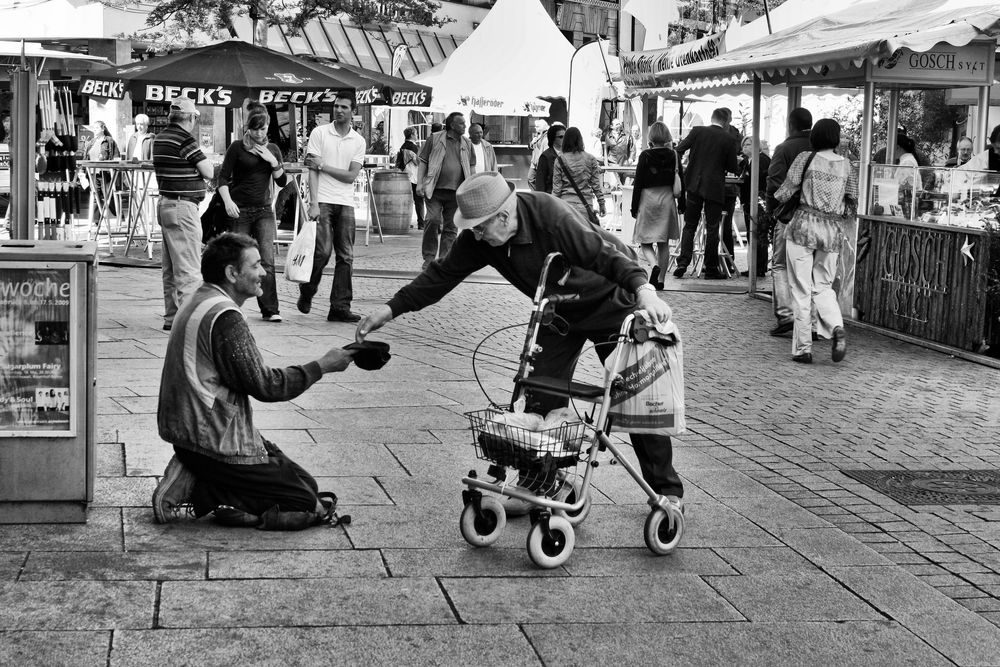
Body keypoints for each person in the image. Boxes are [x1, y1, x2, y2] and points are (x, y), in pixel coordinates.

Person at [355, 171, 684, 514]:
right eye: (473, 229)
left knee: (636, 398)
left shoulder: (550, 216)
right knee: (537, 393)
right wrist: (389, 309)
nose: (475, 234)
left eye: (480, 227)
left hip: (612, 301)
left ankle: (666, 491)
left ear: (503, 215)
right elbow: (441, 275)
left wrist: (644, 291)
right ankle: (539, 482)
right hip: (558, 312)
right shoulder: (482, 237)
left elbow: (604, 253)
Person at [152, 232, 357, 528]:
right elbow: (266, 385)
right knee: (303, 503)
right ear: (232, 273)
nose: (263, 272)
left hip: (190, 430)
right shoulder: (224, 317)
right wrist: (322, 366)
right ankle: (197, 488)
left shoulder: (201, 297)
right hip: (210, 440)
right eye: (256, 265)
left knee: (307, 484)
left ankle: (206, 481)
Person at [774, 118, 857, 365]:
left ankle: (802, 349)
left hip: (803, 226)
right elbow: (852, 202)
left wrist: (778, 199)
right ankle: (836, 327)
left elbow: (786, 191)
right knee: (822, 286)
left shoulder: (804, 159)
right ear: (836, 138)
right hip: (832, 231)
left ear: (815, 137)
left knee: (801, 289)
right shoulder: (847, 166)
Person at [217, 103, 287, 323]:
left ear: (268, 128)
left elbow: (282, 181)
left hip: (264, 210)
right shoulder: (237, 147)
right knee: (238, 261)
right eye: (255, 129)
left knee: (266, 260)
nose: (259, 133)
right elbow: (222, 178)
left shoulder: (273, 149)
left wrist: (273, 161)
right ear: (248, 128)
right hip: (240, 210)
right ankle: (231, 307)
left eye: (263, 128)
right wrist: (228, 201)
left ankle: (270, 309)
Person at [300, 93, 366, 323]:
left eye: (344, 107)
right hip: (324, 199)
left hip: (346, 201)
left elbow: (350, 176)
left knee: (346, 256)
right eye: (336, 106)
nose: (339, 110)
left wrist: (324, 165)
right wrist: (314, 203)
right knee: (322, 252)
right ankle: (308, 290)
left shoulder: (358, 140)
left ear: (352, 111)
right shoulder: (319, 133)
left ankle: (339, 307)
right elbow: (312, 170)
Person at [152, 97, 213, 332]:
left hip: (165, 204)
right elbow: (207, 171)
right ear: (190, 117)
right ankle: (190, 323)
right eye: (195, 118)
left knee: (170, 268)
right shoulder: (184, 139)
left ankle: (172, 317)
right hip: (183, 207)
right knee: (188, 267)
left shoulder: (160, 138)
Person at [673, 108, 740, 280]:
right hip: (714, 187)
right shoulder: (729, 138)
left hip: (694, 184)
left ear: (712, 118)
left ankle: (682, 263)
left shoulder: (697, 131)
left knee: (689, 225)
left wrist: (681, 169)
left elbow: (678, 149)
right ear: (726, 121)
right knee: (712, 228)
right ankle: (710, 268)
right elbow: (733, 167)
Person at [766, 107, 813, 335]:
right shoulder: (822, 150)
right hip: (818, 220)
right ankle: (811, 320)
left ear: (790, 124)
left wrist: (771, 211)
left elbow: (775, 184)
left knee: (781, 264)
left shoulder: (784, 148)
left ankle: (786, 314)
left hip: (789, 216)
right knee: (811, 269)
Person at [416, 111, 472, 270]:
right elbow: (423, 162)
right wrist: (420, 183)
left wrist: (471, 186)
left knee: (451, 226)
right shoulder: (435, 139)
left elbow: (471, 166)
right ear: (452, 125)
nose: (465, 126)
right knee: (432, 220)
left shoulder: (466, 143)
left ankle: (443, 261)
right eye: (462, 123)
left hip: (456, 192)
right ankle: (428, 258)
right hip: (434, 189)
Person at [630, 121, 681, 290]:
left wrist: (634, 206)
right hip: (666, 199)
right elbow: (682, 181)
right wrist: (683, 204)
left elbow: (638, 183)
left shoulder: (645, 156)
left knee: (644, 241)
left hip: (648, 199)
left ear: (651, 137)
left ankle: (653, 265)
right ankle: (661, 280)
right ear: (666, 136)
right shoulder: (674, 155)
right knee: (663, 243)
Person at [552, 126, 606, 225]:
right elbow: (596, 185)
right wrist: (601, 204)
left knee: (567, 239)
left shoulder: (559, 160)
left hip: (566, 206)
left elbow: (557, 189)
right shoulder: (590, 159)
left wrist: (552, 207)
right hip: (585, 206)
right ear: (580, 140)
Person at [738, 136, 772, 278]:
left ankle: (759, 267)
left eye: (749, 144)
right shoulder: (746, 161)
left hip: (759, 202)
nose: (746, 146)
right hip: (748, 201)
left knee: (759, 234)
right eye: (744, 144)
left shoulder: (762, 160)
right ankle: (754, 266)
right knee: (752, 234)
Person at [719, 108, 743, 272]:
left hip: (722, 189)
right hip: (728, 189)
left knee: (716, 226)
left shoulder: (730, 134)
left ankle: (720, 261)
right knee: (723, 226)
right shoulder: (734, 134)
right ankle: (727, 262)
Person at [83, 119, 120, 222]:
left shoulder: (109, 141)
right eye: (93, 128)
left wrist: (115, 169)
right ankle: (96, 221)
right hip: (93, 174)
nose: (94, 130)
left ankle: (119, 215)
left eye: (97, 128)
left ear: (103, 128)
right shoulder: (91, 142)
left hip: (105, 173)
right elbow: (85, 157)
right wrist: (82, 172)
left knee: (109, 195)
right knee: (95, 196)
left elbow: (116, 156)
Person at [396, 127, 424, 230]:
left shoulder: (402, 146)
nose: (417, 136)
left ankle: (404, 222)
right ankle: (421, 223)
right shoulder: (413, 147)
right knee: (419, 200)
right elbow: (418, 162)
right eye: (416, 133)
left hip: (404, 175)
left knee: (406, 200)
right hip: (414, 176)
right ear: (412, 135)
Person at [533, 124, 565, 195]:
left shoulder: (569, 154)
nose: (564, 139)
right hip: (552, 197)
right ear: (553, 138)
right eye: (561, 137)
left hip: (568, 198)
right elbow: (540, 181)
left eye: (566, 137)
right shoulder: (546, 156)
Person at [604, 119, 635, 185]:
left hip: (625, 163)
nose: (619, 125)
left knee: (625, 185)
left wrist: (631, 159)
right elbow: (606, 150)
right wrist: (606, 163)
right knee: (614, 184)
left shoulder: (627, 135)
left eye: (620, 123)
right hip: (613, 163)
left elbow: (632, 148)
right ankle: (614, 194)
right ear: (612, 126)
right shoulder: (608, 136)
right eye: (617, 124)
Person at [526, 119, 550, 190]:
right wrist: (532, 143)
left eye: (537, 126)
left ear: (542, 127)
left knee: (540, 182)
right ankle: (535, 193)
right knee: (530, 178)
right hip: (534, 163)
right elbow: (530, 147)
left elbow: (546, 151)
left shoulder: (546, 137)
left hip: (541, 163)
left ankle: (537, 195)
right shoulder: (537, 135)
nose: (535, 128)